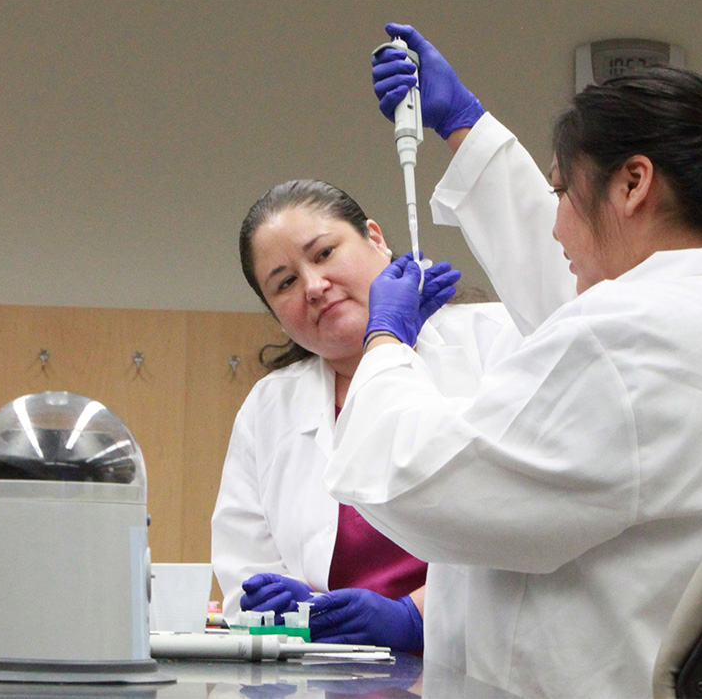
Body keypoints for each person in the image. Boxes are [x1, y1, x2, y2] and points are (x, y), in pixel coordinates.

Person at [321, 24, 702, 696]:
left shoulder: (637, 337)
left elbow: (420, 482)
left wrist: (385, 341)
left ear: (633, 184)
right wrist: (467, 128)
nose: (557, 223)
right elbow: (582, 302)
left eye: (562, 191)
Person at [209, 179, 549, 651]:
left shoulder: (498, 341)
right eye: (284, 282)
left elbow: (538, 521)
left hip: (484, 665)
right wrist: (293, 612)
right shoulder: (269, 409)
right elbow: (244, 569)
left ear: (376, 238)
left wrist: (417, 619)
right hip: (331, 673)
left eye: (324, 253)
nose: (313, 286)